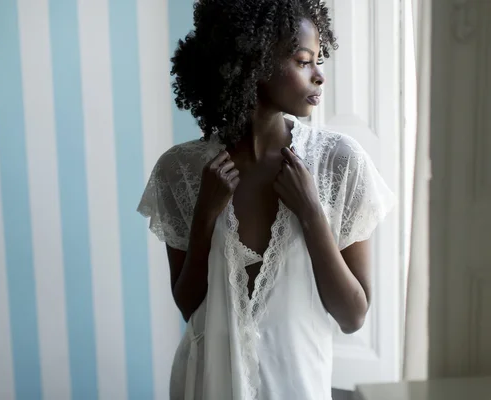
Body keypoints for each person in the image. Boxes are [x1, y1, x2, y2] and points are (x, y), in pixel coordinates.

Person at [137, 0, 395, 398]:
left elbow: (353, 315)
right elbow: (190, 308)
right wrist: (205, 216)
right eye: (303, 60)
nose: (320, 76)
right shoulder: (181, 171)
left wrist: (311, 213)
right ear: (253, 61)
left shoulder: (337, 163)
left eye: (318, 60)